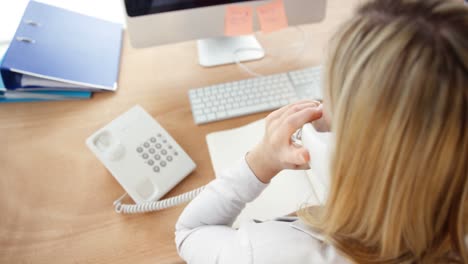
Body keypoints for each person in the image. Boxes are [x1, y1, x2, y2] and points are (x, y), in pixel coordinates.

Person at [175, 0, 468, 262]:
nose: (321, 109)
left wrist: (260, 160)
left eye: (332, 101)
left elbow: (190, 232)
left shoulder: (273, 252)